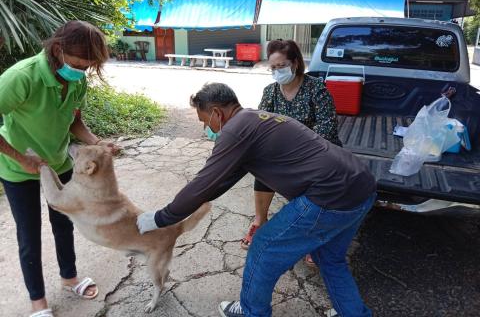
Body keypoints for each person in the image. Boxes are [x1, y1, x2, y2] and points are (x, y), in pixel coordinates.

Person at [137, 83, 377, 317]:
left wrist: (161, 217)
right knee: (331, 258)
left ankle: (252, 311)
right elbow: (222, 180)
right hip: (361, 186)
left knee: (263, 247)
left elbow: (203, 183)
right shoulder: (256, 119)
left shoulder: (234, 130)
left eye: (204, 121)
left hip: (330, 196)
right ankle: (353, 313)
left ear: (217, 113)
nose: (207, 128)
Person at [0, 21, 120, 317]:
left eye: (88, 66)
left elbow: (74, 121)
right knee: (29, 234)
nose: (82, 70)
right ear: (57, 50)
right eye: (78, 63)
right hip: (20, 169)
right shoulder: (21, 77)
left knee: (64, 223)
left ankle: (69, 279)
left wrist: (97, 142)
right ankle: (38, 302)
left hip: (58, 163)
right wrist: (19, 157)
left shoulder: (77, 79)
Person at [240, 40, 342, 270]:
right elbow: (261, 124)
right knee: (262, 167)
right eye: (273, 67)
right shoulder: (271, 92)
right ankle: (259, 221)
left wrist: (295, 152)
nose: (277, 72)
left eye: (282, 65)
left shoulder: (317, 89)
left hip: (318, 150)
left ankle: (315, 238)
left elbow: (327, 128)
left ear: (295, 63)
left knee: (313, 186)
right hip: (284, 151)